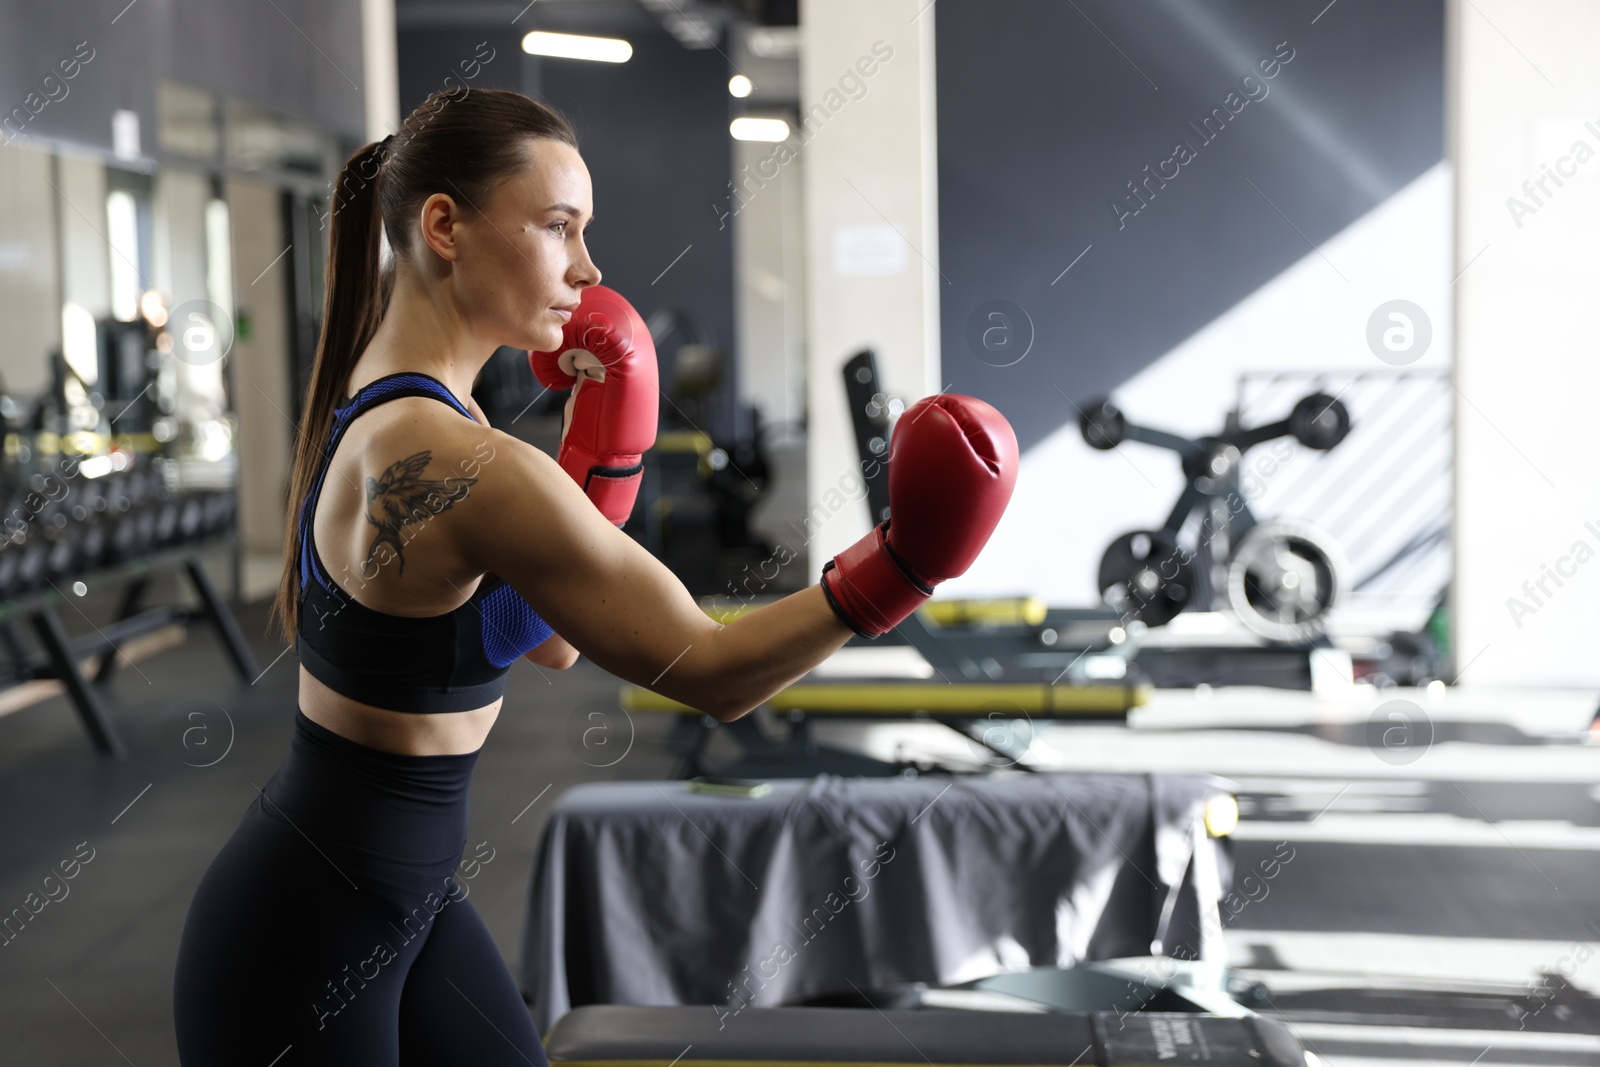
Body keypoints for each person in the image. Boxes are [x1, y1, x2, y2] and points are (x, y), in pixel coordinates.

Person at [172, 87, 1017, 1066]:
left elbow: (552, 635)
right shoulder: (463, 463)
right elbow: (714, 671)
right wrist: (902, 563)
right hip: (306, 937)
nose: (588, 267)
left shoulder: (399, 406)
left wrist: (603, 448)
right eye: (558, 227)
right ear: (443, 226)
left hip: (395, 894)